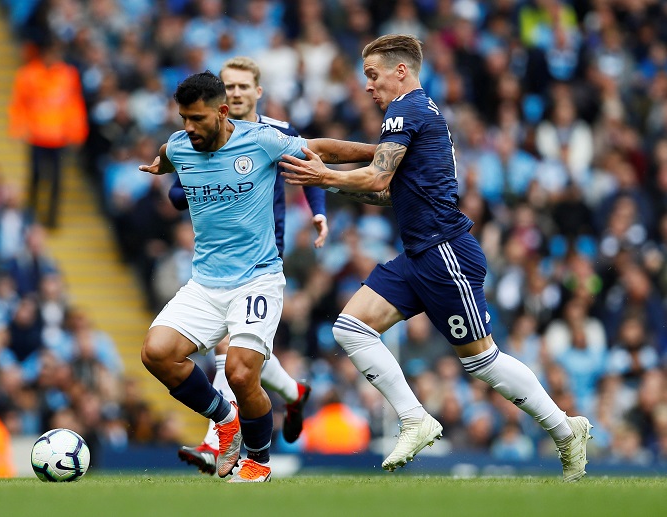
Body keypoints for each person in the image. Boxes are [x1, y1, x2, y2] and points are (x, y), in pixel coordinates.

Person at [280, 34, 593, 482]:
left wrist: (323, 173)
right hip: (419, 253)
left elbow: (376, 177)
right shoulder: (414, 115)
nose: (368, 86)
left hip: (445, 253)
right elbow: (388, 190)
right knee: (350, 328)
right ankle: (415, 419)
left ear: (400, 71)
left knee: (482, 361)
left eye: (373, 75)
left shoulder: (405, 110)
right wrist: (326, 168)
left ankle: (565, 431)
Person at [138, 71, 373, 482]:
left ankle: (259, 462)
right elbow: (167, 154)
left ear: (222, 111)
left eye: (196, 118)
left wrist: (386, 150)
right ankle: (226, 421)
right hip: (205, 283)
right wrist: (161, 166)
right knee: (156, 353)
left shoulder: (260, 141)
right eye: (183, 118)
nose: (188, 127)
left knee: (241, 372)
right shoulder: (179, 145)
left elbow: (321, 150)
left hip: (257, 279)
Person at [168, 57, 324, 476]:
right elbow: (177, 186)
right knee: (243, 359)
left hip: (262, 256)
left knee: (233, 356)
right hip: (217, 265)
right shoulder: (198, 136)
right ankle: (293, 393)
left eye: (242, 86)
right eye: (229, 86)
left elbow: (311, 164)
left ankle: (219, 441)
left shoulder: (273, 134)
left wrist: (319, 213)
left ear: (258, 91)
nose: (236, 92)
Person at [8, 37, 88, 229]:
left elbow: (74, 106)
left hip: (59, 137)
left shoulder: (68, 75)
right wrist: (17, 128)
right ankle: (30, 214)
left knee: (57, 181)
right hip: (37, 135)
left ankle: (52, 219)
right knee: (35, 176)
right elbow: (19, 103)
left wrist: (77, 133)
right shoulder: (28, 75)